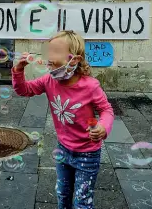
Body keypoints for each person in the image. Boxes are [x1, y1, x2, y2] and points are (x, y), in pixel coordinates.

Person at [12, 30, 114, 209]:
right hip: (63, 149)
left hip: (88, 154)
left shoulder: (90, 86)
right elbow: (24, 90)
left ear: (73, 60)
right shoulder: (48, 80)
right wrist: (18, 71)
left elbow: (106, 110)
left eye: (55, 52)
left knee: (82, 202)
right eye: (48, 52)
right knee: (62, 194)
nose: (49, 57)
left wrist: (103, 127)